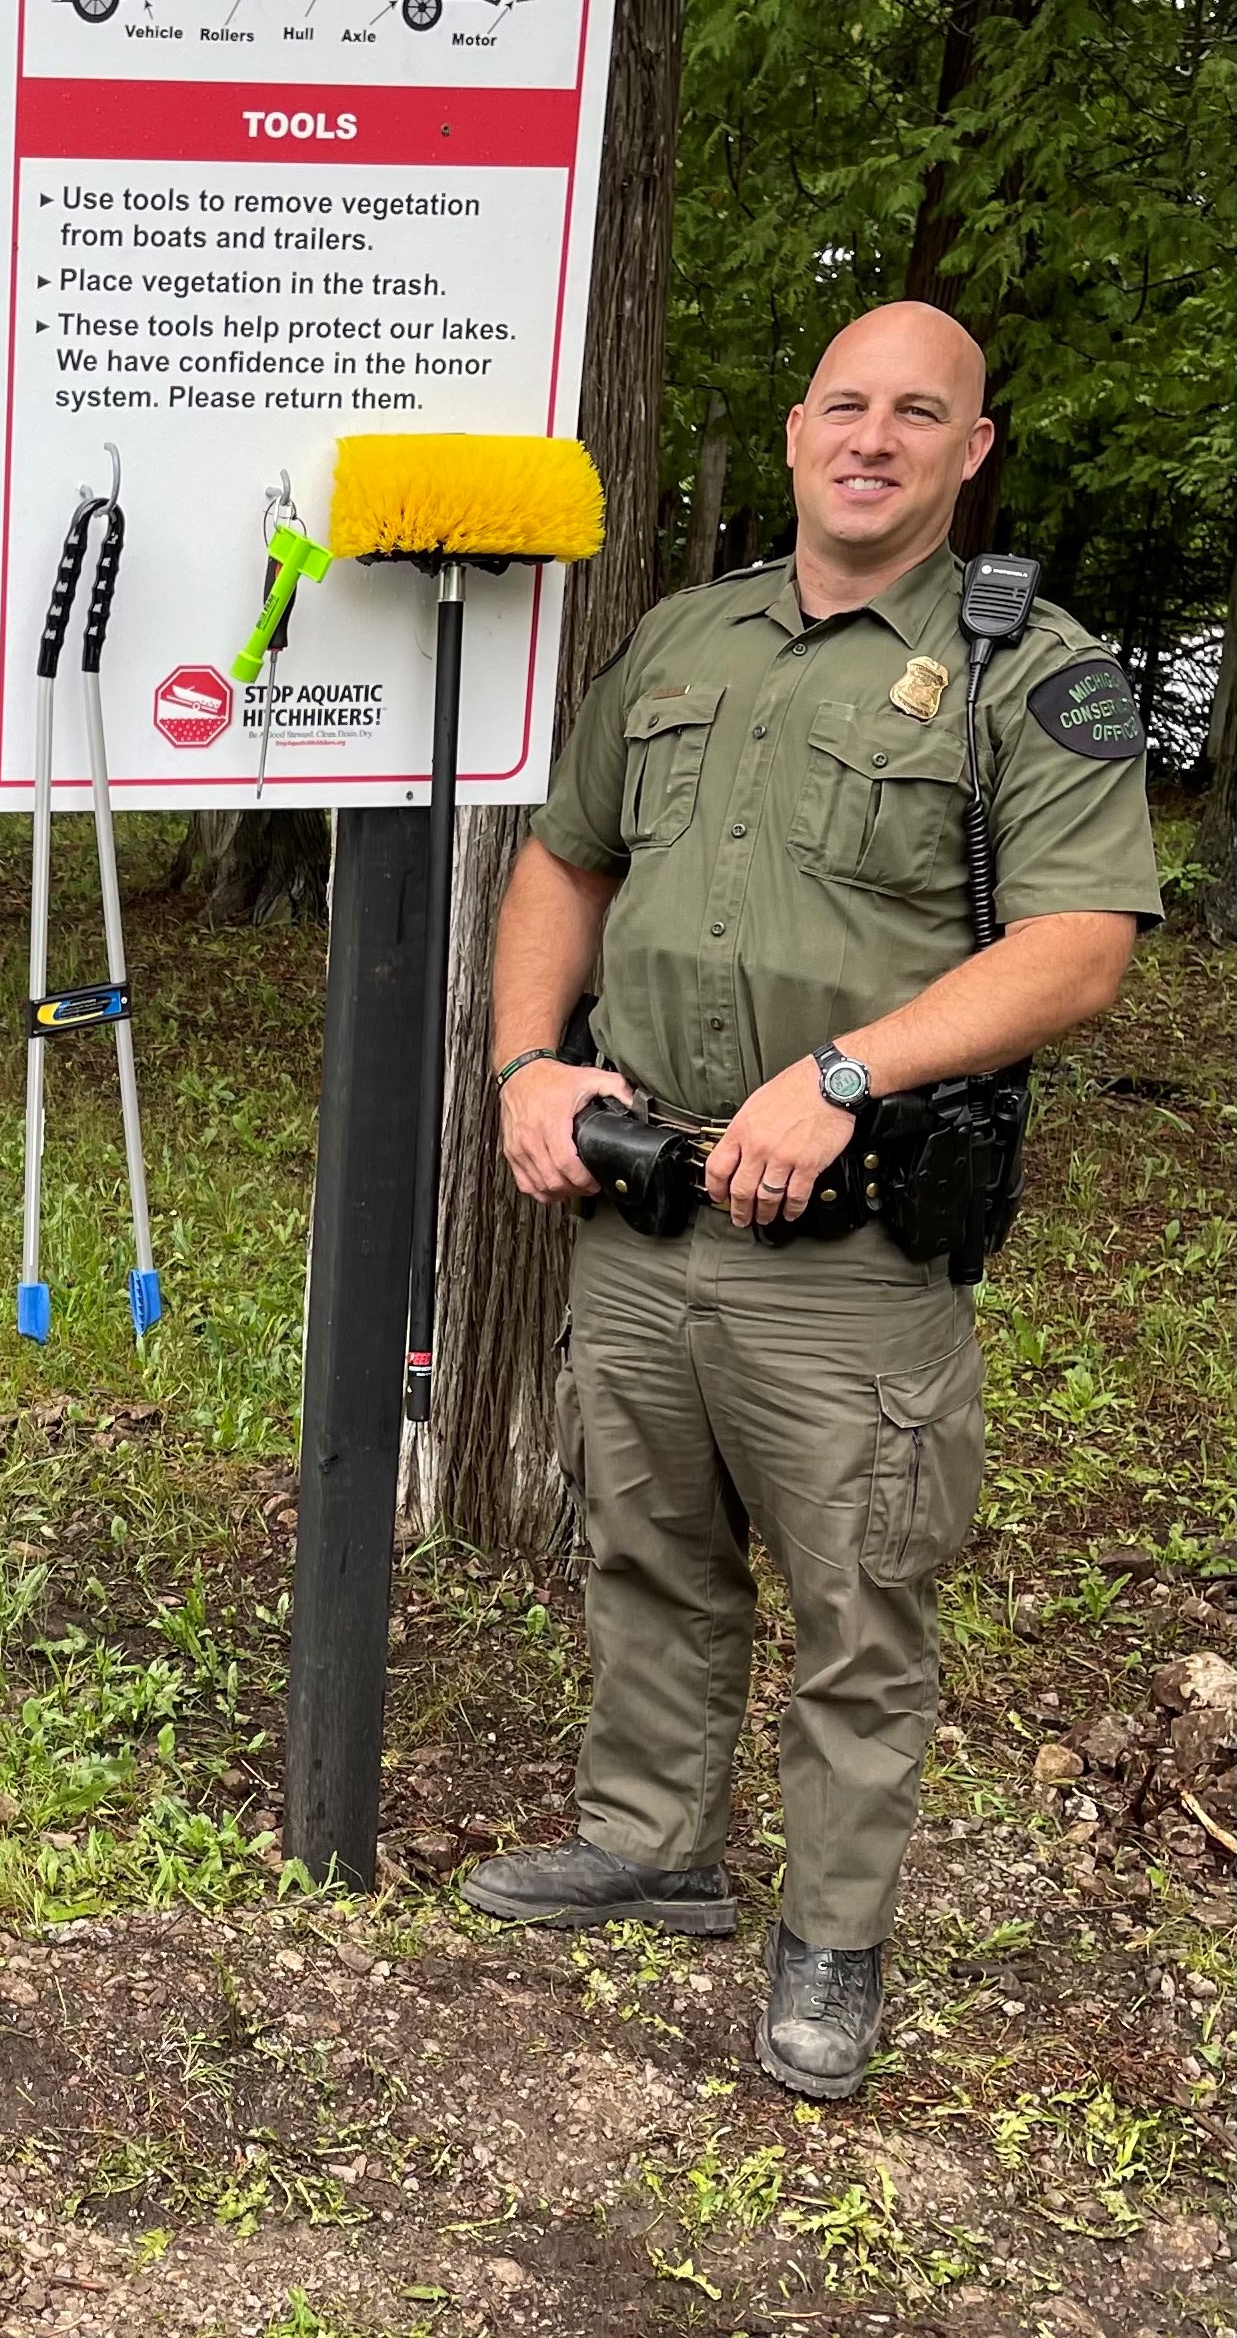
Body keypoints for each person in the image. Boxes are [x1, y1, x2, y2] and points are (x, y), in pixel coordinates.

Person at [464, 300, 1162, 2100]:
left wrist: (848, 1070)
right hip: (641, 1208)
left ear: (967, 449)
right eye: (843, 404)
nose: (872, 436)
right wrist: (529, 1064)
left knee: (859, 1597)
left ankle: (832, 1939)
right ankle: (648, 1837)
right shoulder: (686, 638)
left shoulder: (1031, 669)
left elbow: (1078, 947)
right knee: (643, 1544)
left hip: (844, 1244)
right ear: (793, 431)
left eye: (915, 412)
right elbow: (566, 858)